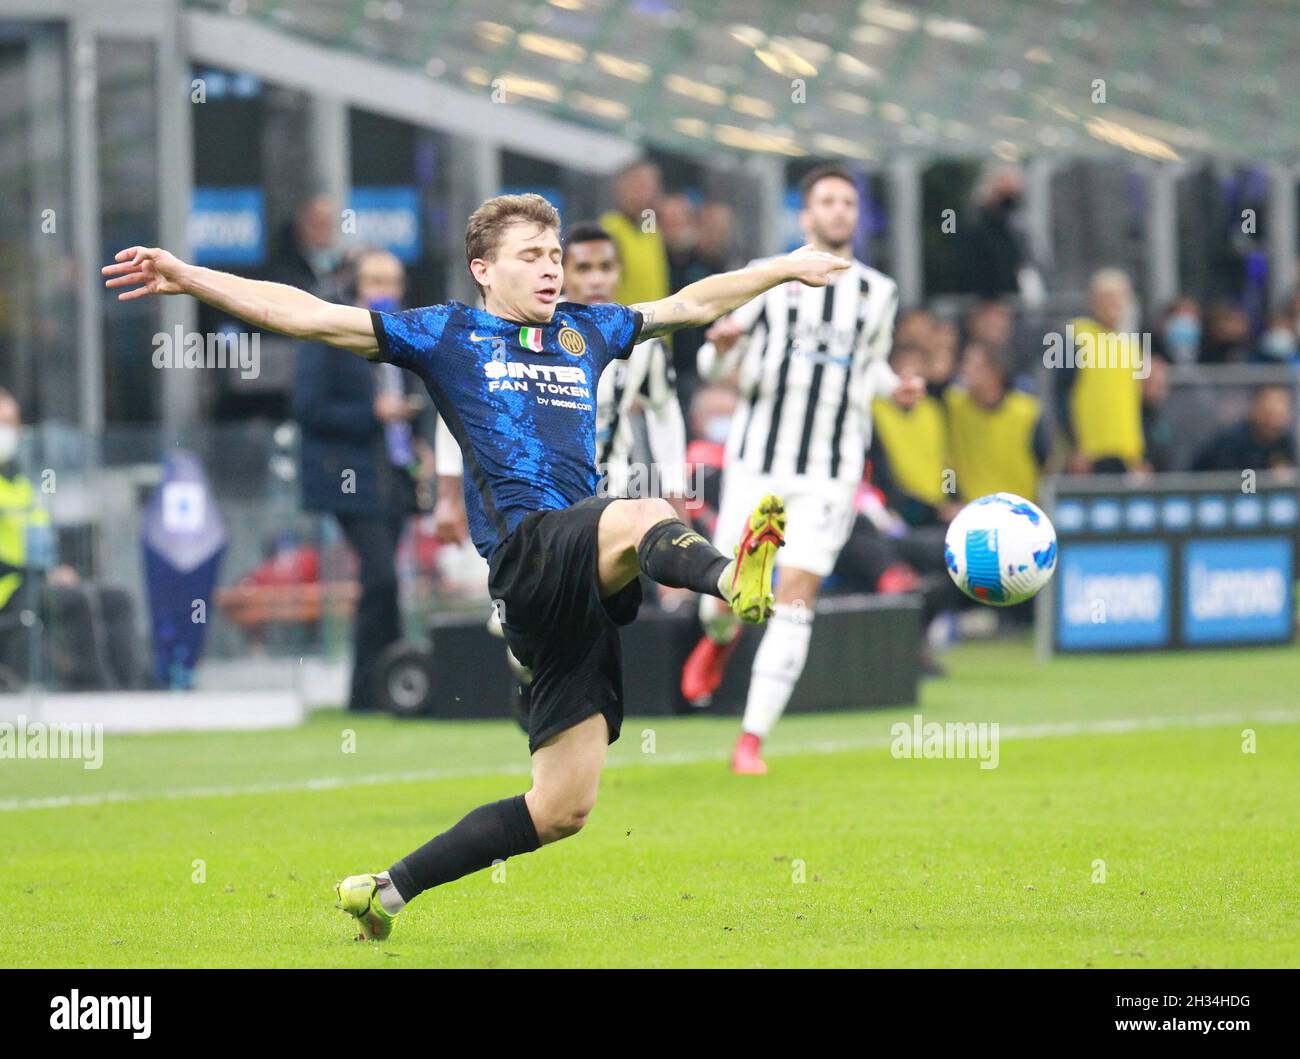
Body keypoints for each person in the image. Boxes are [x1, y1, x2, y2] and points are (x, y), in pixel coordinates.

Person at [103, 192, 849, 941]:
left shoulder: (587, 330)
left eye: (555, 255)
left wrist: (781, 267)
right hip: (528, 555)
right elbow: (304, 314)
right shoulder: (448, 333)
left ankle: (385, 890)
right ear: (483, 268)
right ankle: (730, 581)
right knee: (642, 508)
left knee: (561, 808)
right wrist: (193, 277)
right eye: (532, 256)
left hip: (581, 580)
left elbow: (689, 303)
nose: (551, 269)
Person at [679, 164, 923, 775]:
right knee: (729, 593)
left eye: (848, 202)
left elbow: (868, 367)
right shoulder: (770, 278)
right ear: (805, 216)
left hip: (831, 471)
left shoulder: (878, 292)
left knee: (796, 596)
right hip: (759, 463)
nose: (840, 210)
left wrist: (898, 389)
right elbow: (710, 367)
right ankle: (718, 635)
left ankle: (751, 739)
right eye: (827, 201)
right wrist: (721, 348)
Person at [293, 248, 434, 711]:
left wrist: (420, 443)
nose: (385, 290)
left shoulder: (404, 334)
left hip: (393, 475)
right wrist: (372, 414)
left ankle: (390, 686)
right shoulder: (329, 330)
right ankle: (368, 690)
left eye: (392, 281)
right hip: (349, 476)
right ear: (356, 283)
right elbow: (309, 409)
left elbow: (417, 396)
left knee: (388, 580)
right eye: (375, 280)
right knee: (380, 578)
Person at [1064, 268, 1145, 474]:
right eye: (1107, 298)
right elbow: (1060, 395)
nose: (1114, 304)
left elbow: (1134, 403)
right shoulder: (1075, 336)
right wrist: (1072, 447)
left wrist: (1139, 456)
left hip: (1126, 455)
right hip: (1089, 456)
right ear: (1094, 301)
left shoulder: (1130, 345)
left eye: (1121, 297)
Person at [945, 343, 1048, 502]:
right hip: (972, 510)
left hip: (1019, 509)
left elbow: (1046, 463)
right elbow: (946, 464)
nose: (965, 370)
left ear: (995, 372)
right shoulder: (953, 405)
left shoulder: (1027, 412)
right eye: (964, 363)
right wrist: (949, 498)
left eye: (974, 365)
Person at [599, 160, 670, 307]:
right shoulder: (610, 229)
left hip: (657, 326)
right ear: (620, 188)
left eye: (650, 187)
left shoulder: (650, 230)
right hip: (624, 325)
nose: (644, 194)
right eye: (638, 186)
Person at [1192, 385, 1296, 473]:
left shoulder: (1284, 442)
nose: (1275, 422)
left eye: (1281, 414)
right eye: (1271, 414)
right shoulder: (1231, 443)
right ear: (1256, 409)